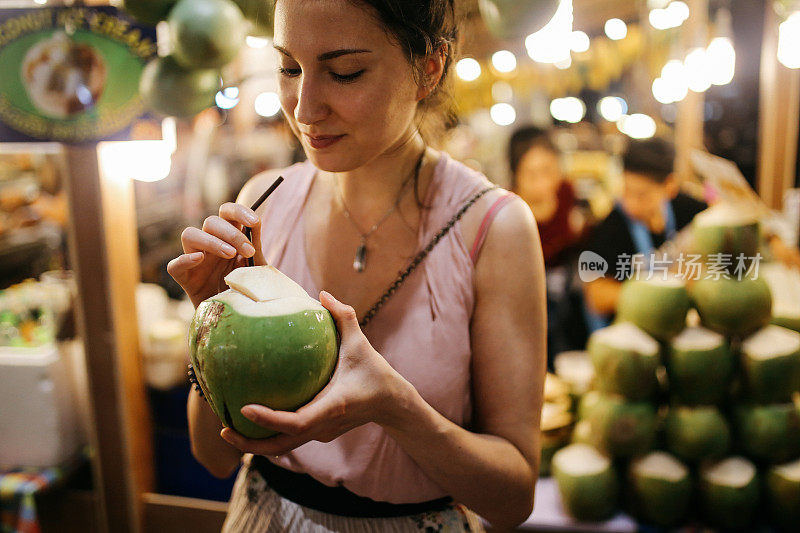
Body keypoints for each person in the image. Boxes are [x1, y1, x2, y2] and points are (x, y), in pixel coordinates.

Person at [167, 1, 547, 531]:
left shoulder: (492, 227)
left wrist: (393, 407)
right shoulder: (264, 204)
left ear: (428, 68)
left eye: (345, 72)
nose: (304, 109)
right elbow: (215, 456)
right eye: (289, 68)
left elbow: (511, 499)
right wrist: (210, 320)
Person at [582, 137, 706, 328]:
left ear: (669, 186)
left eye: (642, 195)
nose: (630, 204)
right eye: (626, 191)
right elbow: (596, 296)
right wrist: (659, 291)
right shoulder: (613, 227)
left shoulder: (687, 209)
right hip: (628, 334)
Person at [508, 126, 588, 363]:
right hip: (526, 306)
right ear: (517, 175)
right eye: (532, 174)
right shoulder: (508, 209)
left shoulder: (566, 192)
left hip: (569, 306)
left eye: (549, 171)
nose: (543, 182)